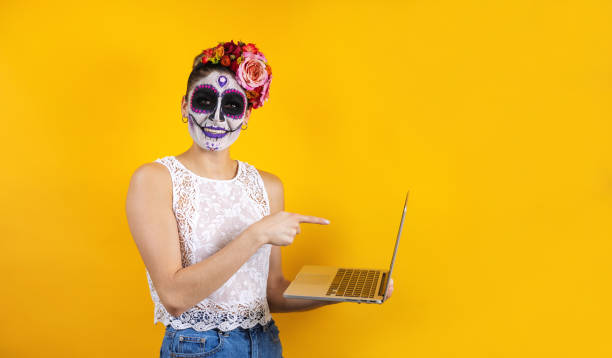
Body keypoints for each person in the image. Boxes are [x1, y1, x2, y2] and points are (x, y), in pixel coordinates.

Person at [125, 40, 393, 358]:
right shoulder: (154, 180)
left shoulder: (268, 186)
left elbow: (273, 293)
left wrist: (346, 291)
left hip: (264, 344)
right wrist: (257, 235)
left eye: (233, 106)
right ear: (184, 105)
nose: (217, 118)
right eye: (205, 101)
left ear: (247, 115)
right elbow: (173, 295)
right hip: (198, 347)